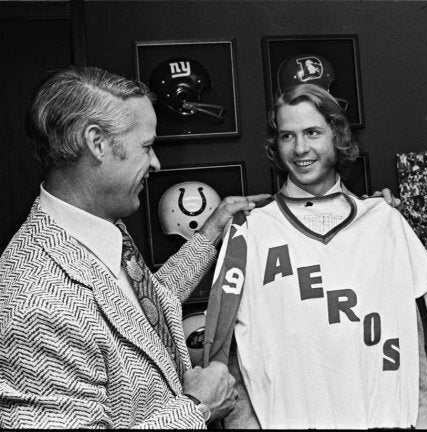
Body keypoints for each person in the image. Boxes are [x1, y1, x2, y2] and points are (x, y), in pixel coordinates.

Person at [0, 65, 270, 428]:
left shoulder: (100, 228)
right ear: (97, 143)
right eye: (146, 146)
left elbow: (142, 311)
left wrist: (209, 235)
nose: (155, 162)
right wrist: (197, 407)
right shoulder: (33, 303)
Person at [203, 83, 427, 429]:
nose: (300, 149)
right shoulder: (249, 231)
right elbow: (231, 361)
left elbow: (414, 345)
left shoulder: (384, 221)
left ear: (337, 134)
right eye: (287, 136)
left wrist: (426, 421)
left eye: (312, 132)